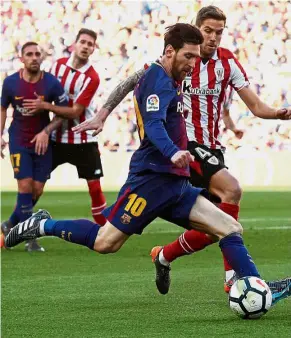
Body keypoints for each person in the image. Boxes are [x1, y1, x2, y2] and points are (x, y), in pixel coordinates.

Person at [5, 23, 290, 306]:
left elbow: (129, 82)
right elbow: (154, 126)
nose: (193, 63)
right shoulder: (159, 82)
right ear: (169, 51)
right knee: (106, 242)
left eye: (196, 57)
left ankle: (258, 287)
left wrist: (104, 112)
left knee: (230, 228)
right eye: (188, 56)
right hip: (151, 181)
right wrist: (172, 152)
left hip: (176, 184)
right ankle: (43, 224)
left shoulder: (164, 73)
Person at [73, 6, 291, 294]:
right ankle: (238, 280)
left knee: (218, 229)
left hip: (211, 149)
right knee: (232, 190)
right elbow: (131, 83)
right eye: (208, 31)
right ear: (196, 29)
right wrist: (104, 112)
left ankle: (164, 255)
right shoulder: (174, 60)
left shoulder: (228, 63)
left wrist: (277, 113)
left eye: (219, 32)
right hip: (185, 146)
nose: (213, 38)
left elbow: (255, 105)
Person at [22, 28, 107, 226]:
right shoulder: (57, 66)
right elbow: (45, 95)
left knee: (95, 188)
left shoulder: (92, 77)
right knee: (36, 185)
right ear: (74, 44)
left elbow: (75, 112)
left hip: (83, 140)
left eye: (90, 44)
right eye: (83, 42)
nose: (86, 46)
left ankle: (105, 232)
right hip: (55, 139)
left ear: (93, 49)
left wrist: (43, 106)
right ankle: (15, 227)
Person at [0, 42, 68, 252]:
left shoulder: (51, 84)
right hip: (19, 140)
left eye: (38, 54)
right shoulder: (11, 83)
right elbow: (3, 109)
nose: (34, 57)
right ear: (21, 59)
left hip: (42, 143)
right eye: (29, 54)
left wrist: (46, 132)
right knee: (25, 186)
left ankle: (9, 224)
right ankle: (30, 238)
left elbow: (64, 113)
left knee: (36, 190)